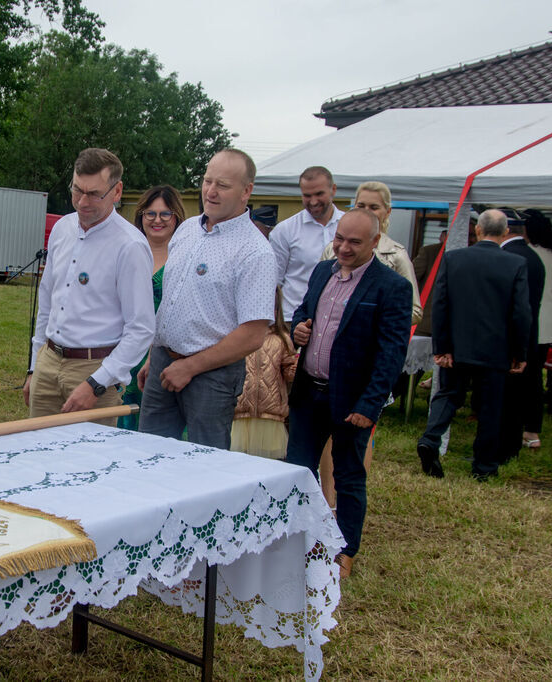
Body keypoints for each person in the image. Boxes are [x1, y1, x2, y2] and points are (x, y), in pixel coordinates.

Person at [286, 208, 411, 578]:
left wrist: (370, 404)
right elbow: (302, 311)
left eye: (354, 242)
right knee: (298, 470)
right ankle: (299, 540)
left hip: (352, 400)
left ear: (375, 242)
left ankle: (344, 550)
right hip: (309, 392)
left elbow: (391, 354)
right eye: (339, 238)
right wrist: (299, 330)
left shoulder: (391, 287)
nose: (343, 247)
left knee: (348, 476)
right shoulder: (323, 271)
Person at [138, 149, 276, 448]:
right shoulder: (187, 230)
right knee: (149, 455)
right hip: (164, 360)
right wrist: (155, 355)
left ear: (246, 191)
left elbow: (253, 335)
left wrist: (190, 367)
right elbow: (171, 302)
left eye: (222, 185)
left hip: (212, 376)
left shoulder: (255, 251)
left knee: (204, 464)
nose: (210, 192)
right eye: (207, 181)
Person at [23, 148, 155, 427]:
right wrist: (36, 367)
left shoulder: (129, 246)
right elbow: (47, 300)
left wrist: (97, 383)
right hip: (49, 361)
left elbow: (141, 329)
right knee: (36, 457)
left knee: (87, 465)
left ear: (117, 191)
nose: (82, 202)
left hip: (95, 370)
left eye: (94, 194)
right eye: (76, 190)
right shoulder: (61, 228)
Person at [417, 209, 531, 481]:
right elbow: (521, 313)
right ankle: (484, 467)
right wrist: (519, 352)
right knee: (491, 406)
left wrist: (441, 346)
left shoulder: (454, 258)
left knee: (448, 395)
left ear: (478, 230)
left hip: (457, 345)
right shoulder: (515, 264)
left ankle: (431, 439)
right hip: (496, 348)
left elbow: (441, 304)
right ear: (505, 233)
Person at [118, 185, 186, 430]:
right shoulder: (127, 251)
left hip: (162, 354)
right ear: (141, 216)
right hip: (123, 349)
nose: (157, 220)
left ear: (176, 217)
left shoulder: (184, 258)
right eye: (151, 213)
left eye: (165, 214)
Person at [319, 181, 421, 325]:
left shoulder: (396, 255)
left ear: (387, 212)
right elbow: (316, 295)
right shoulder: (332, 249)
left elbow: (414, 310)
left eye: (374, 207)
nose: (366, 211)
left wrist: (373, 320)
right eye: (361, 206)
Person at [268, 166, 345, 323]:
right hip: (293, 320)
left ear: (333, 190)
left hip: (337, 320)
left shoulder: (348, 226)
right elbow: (273, 282)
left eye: (319, 194)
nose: (313, 201)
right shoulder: (285, 230)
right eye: (307, 195)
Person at [498, 213, 545, 459]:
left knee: (506, 397)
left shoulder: (510, 258)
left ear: (505, 231)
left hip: (508, 336)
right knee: (516, 394)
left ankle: (504, 446)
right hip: (526, 334)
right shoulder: (533, 257)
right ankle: (511, 443)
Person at [231, 287, 296, 459]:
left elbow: (289, 374)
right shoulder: (237, 339)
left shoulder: (282, 339)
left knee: (268, 462)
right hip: (240, 413)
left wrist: (295, 368)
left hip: (270, 416)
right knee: (238, 460)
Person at [524, 209, 552, 426]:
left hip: (534, 319)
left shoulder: (529, 253)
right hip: (550, 320)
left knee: (528, 375)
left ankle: (529, 422)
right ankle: (532, 421)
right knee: (536, 372)